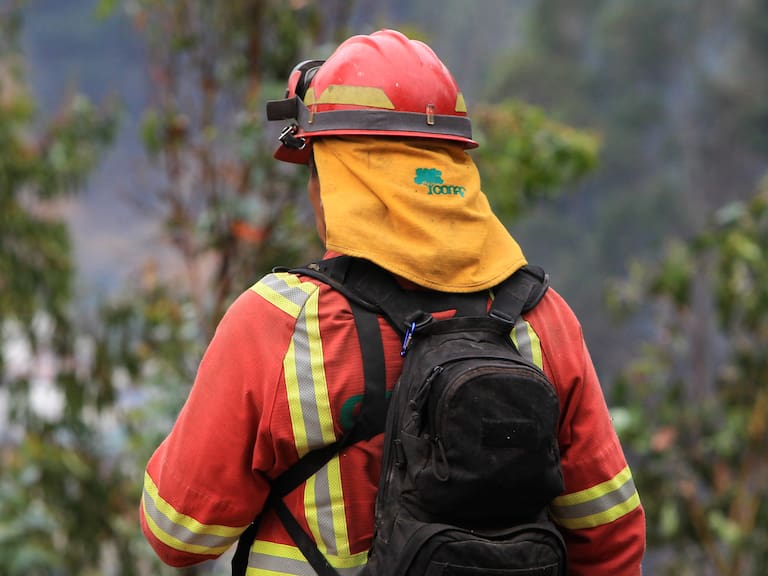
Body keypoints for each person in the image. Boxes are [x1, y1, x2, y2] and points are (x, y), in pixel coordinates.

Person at [140, 29, 646, 575]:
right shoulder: (543, 319)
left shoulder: (281, 321)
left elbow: (179, 532)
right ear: (456, 171)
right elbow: (610, 536)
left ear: (336, 177)